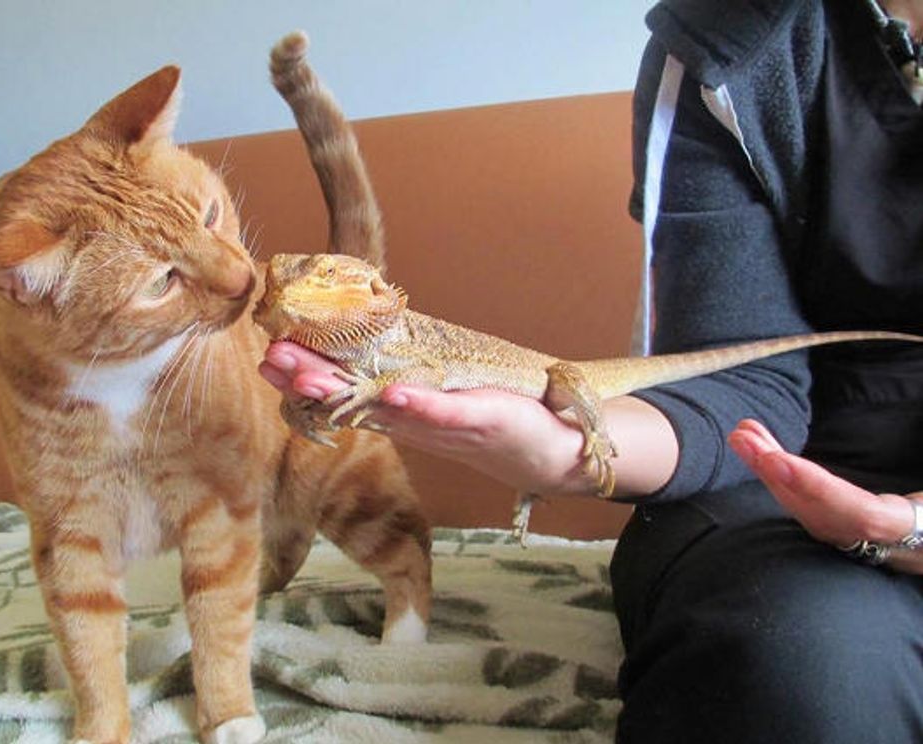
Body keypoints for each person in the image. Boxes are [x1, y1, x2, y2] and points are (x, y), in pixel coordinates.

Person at [260, 1, 923, 741]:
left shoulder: (391, 340)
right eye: (286, 278)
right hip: (755, 485)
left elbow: (408, 378)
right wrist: (568, 458)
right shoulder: (723, 44)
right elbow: (741, 380)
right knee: (796, 678)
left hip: (574, 387)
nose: (290, 288)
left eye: (315, 274)